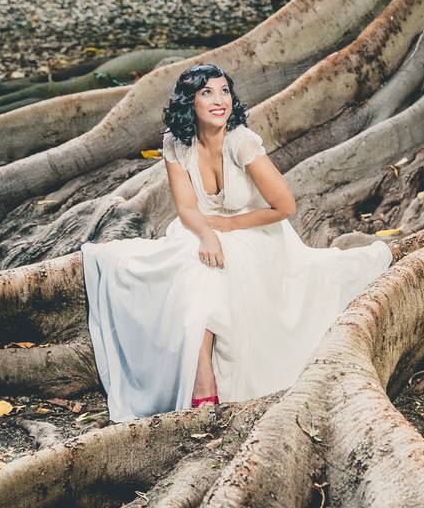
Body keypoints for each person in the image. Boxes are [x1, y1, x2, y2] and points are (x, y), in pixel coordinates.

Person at [81, 62, 393, 423]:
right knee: (184, 264)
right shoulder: (176, 144)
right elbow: (185, 208)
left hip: (257, 231)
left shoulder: (242, 142)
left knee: (212, 269)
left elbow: (284, 206)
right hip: (200, 227)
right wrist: (208, 234)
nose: (219, 101)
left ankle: (204, 390)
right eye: (207, 93)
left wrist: (227, 226)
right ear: (190, 103)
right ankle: (203, 379)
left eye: (225, 91)